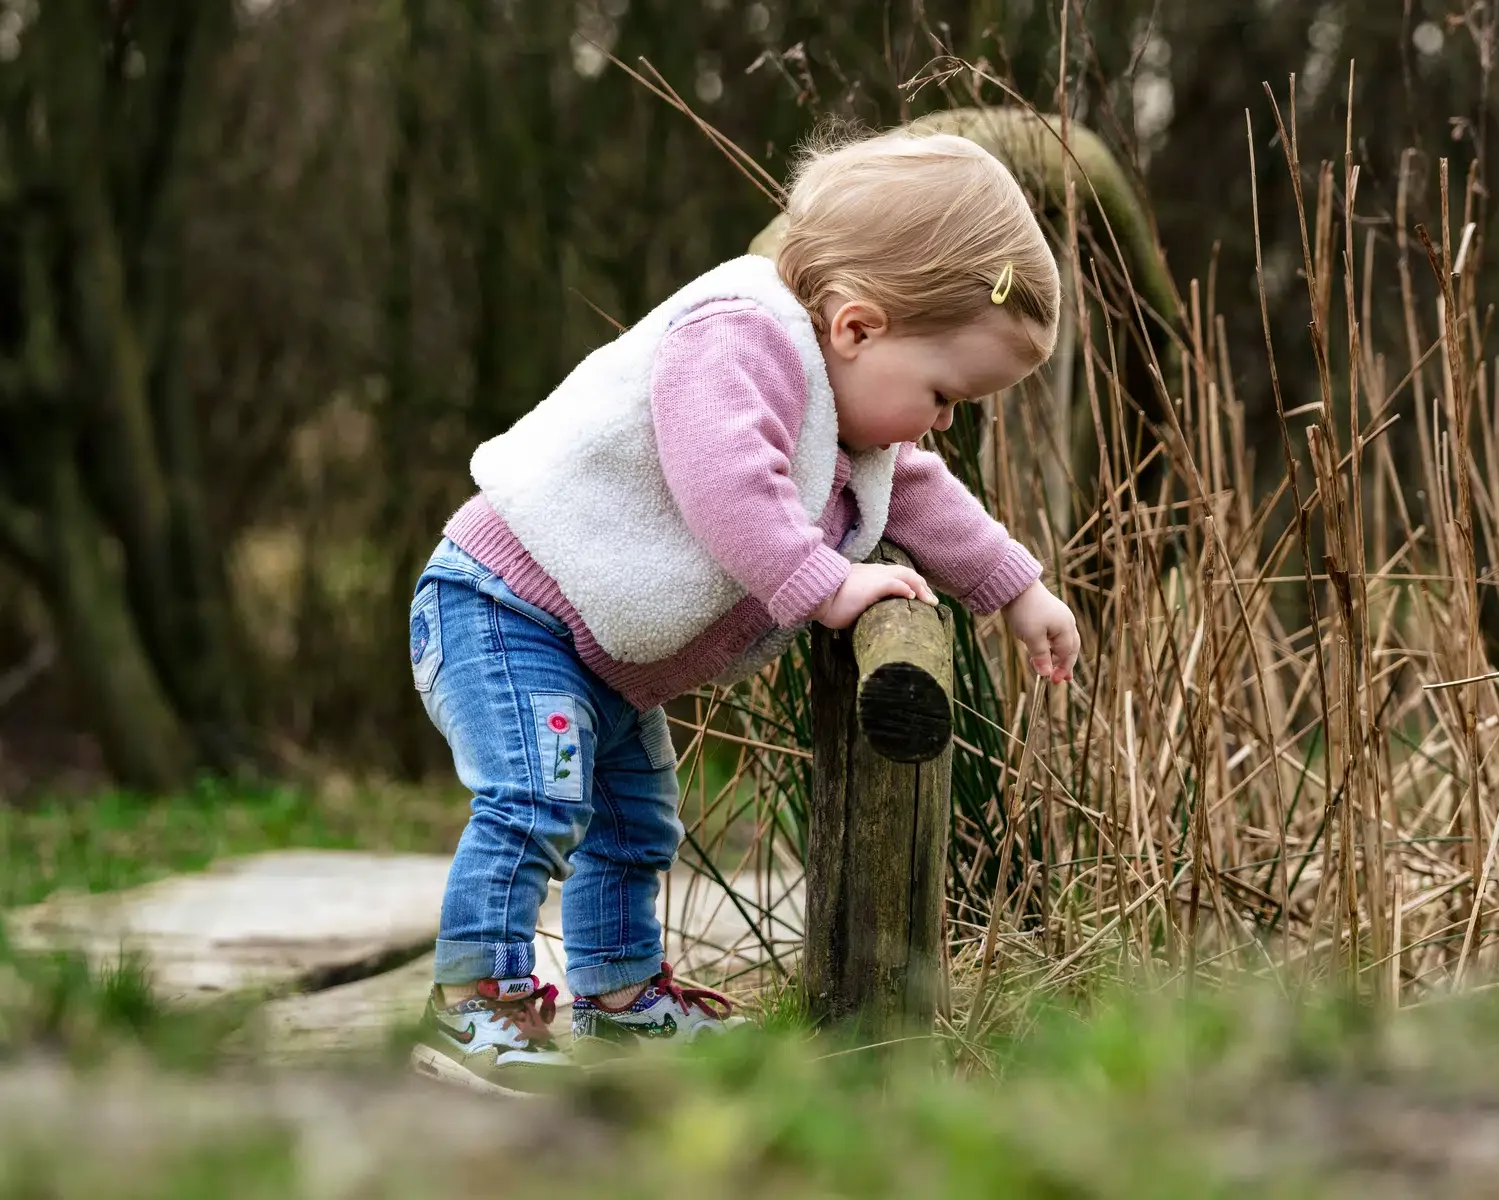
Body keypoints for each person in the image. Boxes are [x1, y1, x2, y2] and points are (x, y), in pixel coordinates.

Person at [407, 123, 1081, 1092]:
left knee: (638, 823)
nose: (941, 424)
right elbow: (728, 481)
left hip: (594, 655)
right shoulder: (738, 337)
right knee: (537, 796)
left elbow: (924, 498)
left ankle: (622, 1000)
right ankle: (475, 1004)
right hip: (505, 606)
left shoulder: (855, 424)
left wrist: (1018, 589)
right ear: (856, 327)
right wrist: (829, 585)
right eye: (943, 394)